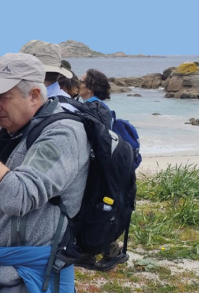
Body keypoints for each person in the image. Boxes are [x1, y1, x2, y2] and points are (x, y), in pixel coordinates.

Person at [0, 53, 89, 292]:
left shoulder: (63, 133)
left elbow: (18, 197)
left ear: (34, 95)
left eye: (4, 97)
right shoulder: (11, 130)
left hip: (30, 278)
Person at [72, 68, 129, 272]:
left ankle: (103, 252)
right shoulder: (99, 107)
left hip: (96, 167)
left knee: (93, 210)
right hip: (101, 166)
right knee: (94, 210)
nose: (78, 83)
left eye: (82, 80)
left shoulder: (94, 107)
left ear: (91, 86)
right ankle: (94, 252)